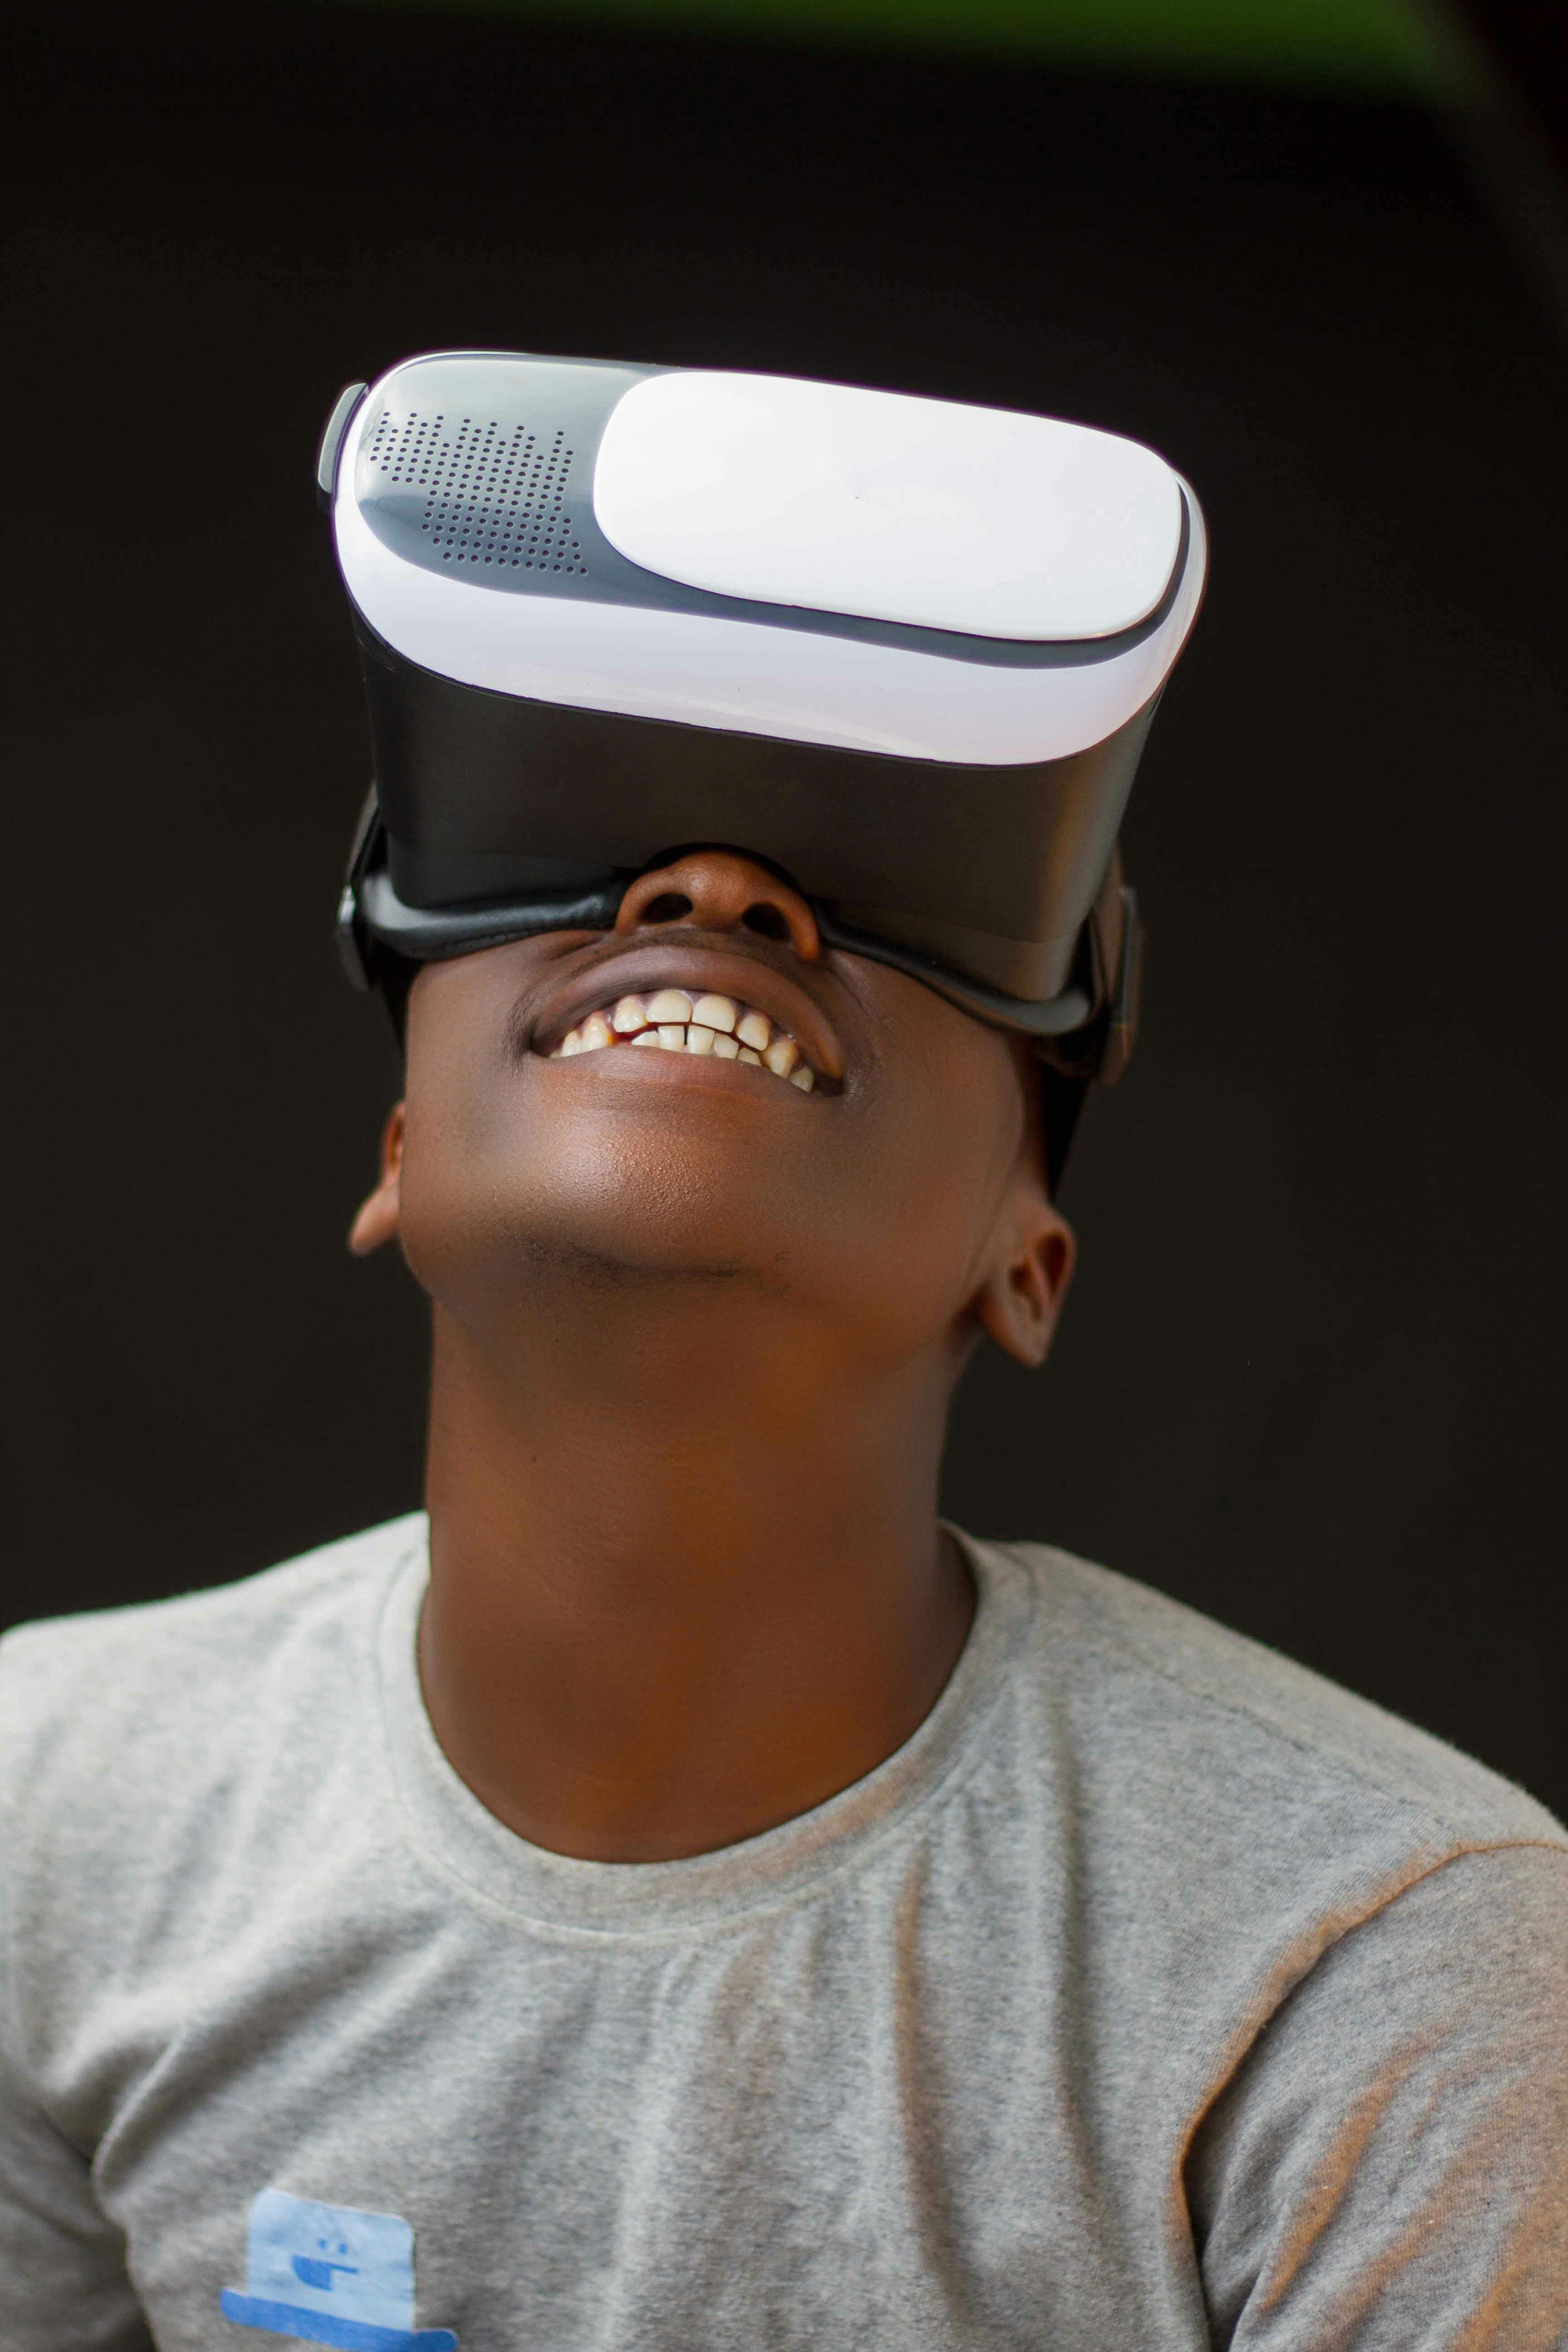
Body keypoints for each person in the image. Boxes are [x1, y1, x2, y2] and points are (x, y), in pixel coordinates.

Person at [2, 834, 1566, 2349]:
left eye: (888, 894)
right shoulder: (53, 1811)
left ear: (1026, 1263)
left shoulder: (1388, 1967)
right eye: (580, 839)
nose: (712, 890)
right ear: (401, 1154)